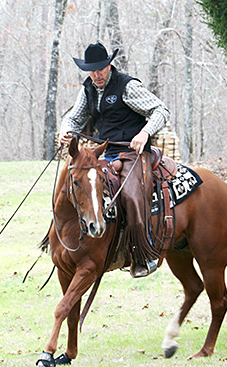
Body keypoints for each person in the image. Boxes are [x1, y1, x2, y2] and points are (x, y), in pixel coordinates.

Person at [58, 42, 170, 278]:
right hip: (105, 154)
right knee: (84, 188)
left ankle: (143, 255)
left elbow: (161, 111)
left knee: (130, 194)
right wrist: (65, 130)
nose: (97, 75)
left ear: (109, 65)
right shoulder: (88, 89)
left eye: (101, 69)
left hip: (133, 152)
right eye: (92, 70)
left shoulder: (128, 86)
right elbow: (74, 118)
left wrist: (145, 133)